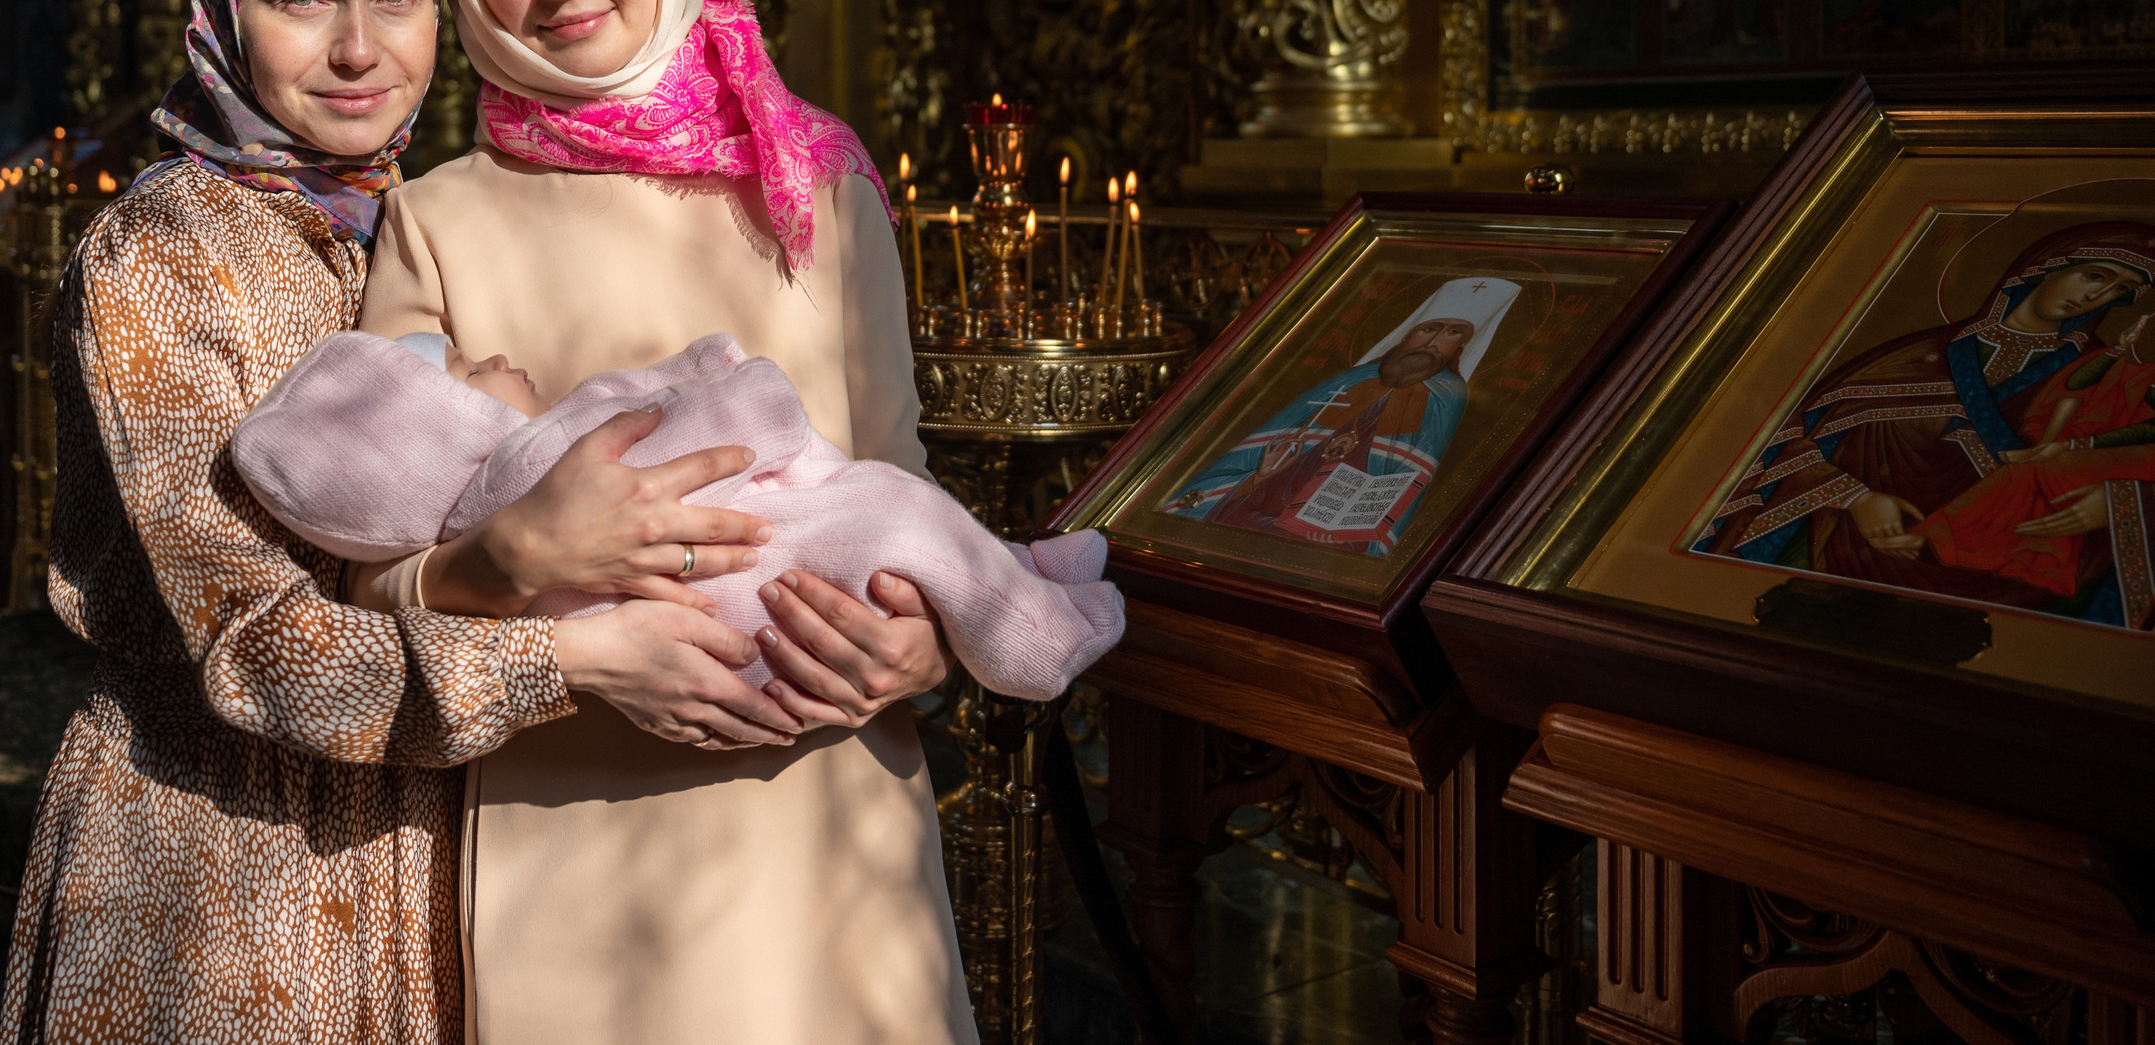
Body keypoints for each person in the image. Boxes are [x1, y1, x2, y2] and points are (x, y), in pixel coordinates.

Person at [2, 0, 897, 1043]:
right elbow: (253, 648)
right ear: (223, 10)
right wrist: (575, 657)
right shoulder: (161, 254)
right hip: (223, 867)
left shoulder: (416, 221)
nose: (359, 50)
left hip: (427, 858)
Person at [353, 0, 971, 1045]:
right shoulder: (436, 222)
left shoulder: (814, 181)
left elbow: (910, 502)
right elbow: (373, 593)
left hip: (832, 826)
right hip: (570, 847)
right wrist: (517, 563)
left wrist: (931, 654)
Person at [231, 327, 1124, 701]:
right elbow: (358, 609)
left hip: (822, 723)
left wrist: (926, 650)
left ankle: (1011, 582)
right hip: (585, 802)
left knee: (917, 530)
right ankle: (1032, 635)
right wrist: (748, 385)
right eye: (467, 369)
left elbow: (902, 444)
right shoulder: (523, 464)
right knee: (901, 523)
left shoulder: (821, 181)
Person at [1697, 220, 2155, 628]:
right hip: (1853, 563)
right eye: (2095, 275)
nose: (2097, 296)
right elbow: (1784, 448)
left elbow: (2137, 454)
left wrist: (2116, 499)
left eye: (2120, 290)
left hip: (2020, 579)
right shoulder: (1907, 361)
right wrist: (1857, 498)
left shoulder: (2109, 380)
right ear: (2043, 267)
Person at [1157, 277, 1521, 553]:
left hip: (1329, 538)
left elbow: (1405, 483)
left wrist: (1341, 531)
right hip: (1257, 514)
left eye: (1453, 332)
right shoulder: (1351, 380)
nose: (1433, 341)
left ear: (1462, 346)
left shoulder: (1446, 398)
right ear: (1408, 334)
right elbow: (1262, 462)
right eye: (1430, 328)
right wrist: (1259, 477)